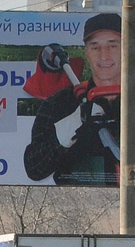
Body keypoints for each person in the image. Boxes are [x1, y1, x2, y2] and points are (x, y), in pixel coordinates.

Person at [23, 13, 123, 183]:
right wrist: (72, 124)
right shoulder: (59, 103)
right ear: (86, 52)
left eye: (112, 46)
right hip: (74, 203)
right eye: (95, 47)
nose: (104, 56)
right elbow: (34, 168)